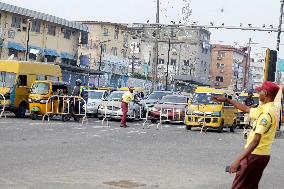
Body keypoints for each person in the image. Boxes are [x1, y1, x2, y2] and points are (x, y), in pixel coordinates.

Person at [213, 81, 280, 189]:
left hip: (255, 155)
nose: (258, 94)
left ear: (266, 94)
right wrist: (228, 100)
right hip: (261, 155)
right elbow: (246, 109)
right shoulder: (265, 109)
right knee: (250, 186)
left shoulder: (266, 115)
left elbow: (255, 141)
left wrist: (238, 160)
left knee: (238, 186)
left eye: (260, 92)